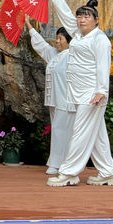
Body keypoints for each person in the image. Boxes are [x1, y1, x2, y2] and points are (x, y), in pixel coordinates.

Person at [45, 0, 113, 187]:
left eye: (86, 16)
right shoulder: (77, 34)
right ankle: (109, 172)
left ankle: (69, 172)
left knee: (79, 132)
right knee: (96, 135)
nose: (81, 19)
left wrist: (101, 91)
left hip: (92, 95)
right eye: (79, 16)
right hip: (78, 92)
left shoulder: (100, 40)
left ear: (96, 20)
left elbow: (103, 67)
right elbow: (65, 15)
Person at [24, 15, 75, 175]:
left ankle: (62, 164)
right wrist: (29, 25)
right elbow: (42, 46)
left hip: (67, 102)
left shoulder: (75, 57)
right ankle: (57, 163)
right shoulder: (55, 54)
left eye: (60, 39)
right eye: (57, 38)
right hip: (55, 101)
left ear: (69, 41)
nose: (57, 41)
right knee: (58, 131)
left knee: (64, 132)